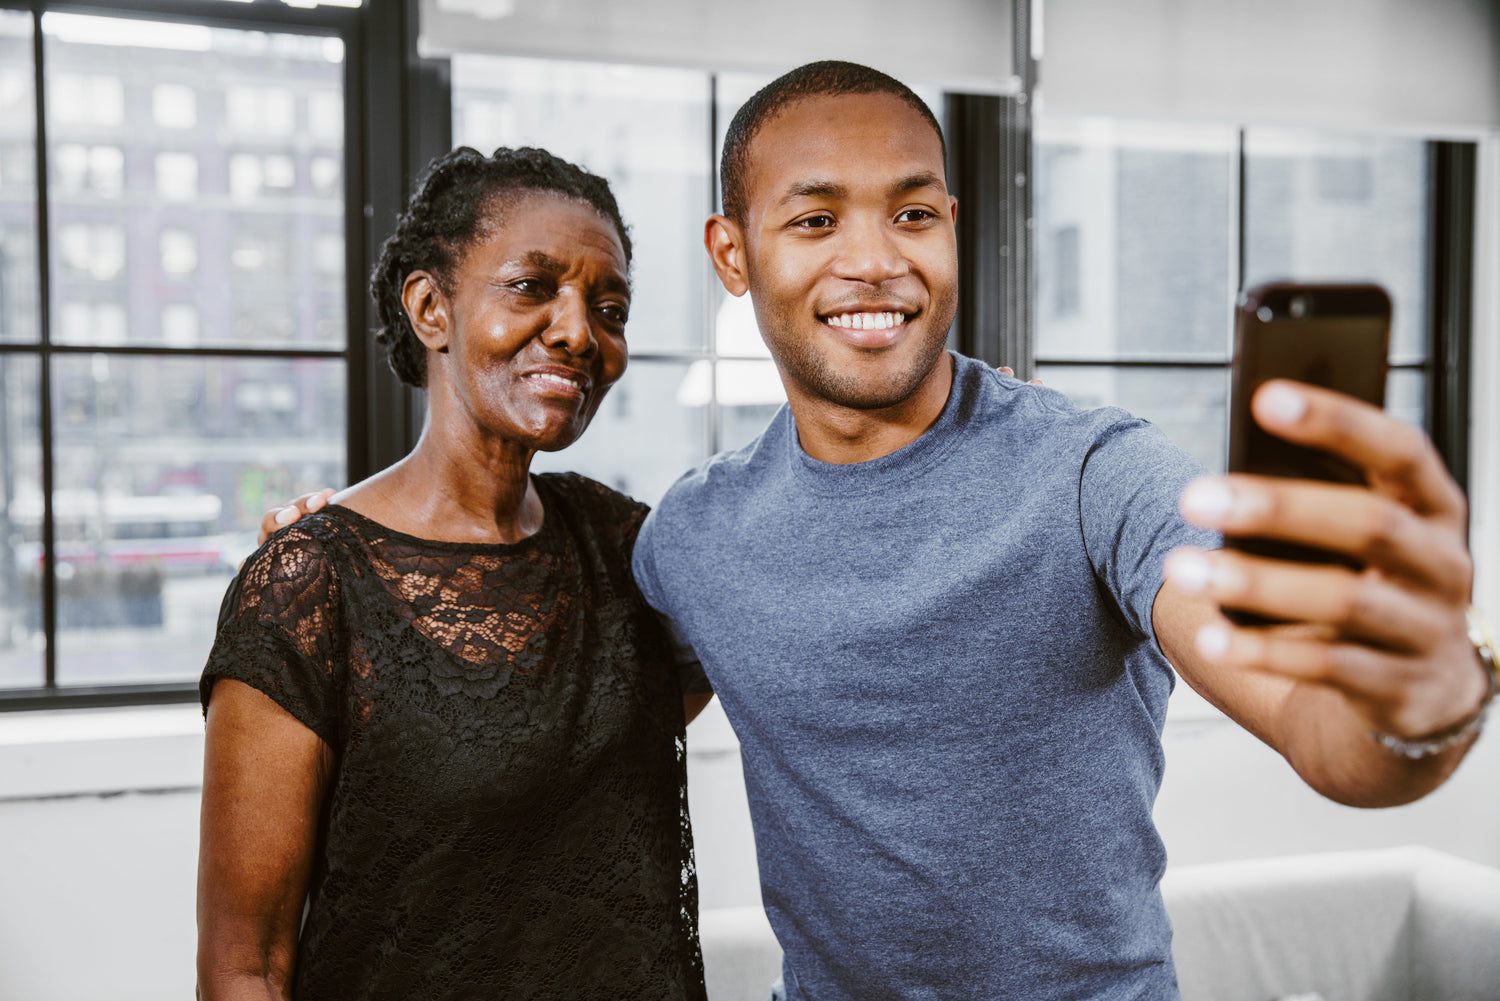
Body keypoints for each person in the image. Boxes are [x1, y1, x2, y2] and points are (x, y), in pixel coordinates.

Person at [265, 63, 1493, 1001]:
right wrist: (347, 558)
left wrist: (1426, 696)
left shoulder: (1093, 470)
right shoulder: (693, 537)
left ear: (955, 226)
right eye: (816, 222)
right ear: (733, 256)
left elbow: (1332, 740)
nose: (876, 262)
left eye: (914, 216)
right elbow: (524, 672)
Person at [196, 146, 710, 1001]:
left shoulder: (625, 544)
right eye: (533, 286)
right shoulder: (310, 583)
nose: (580, 331)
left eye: (608, 305)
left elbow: (782, 620)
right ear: (432, 307)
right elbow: (242, 969)